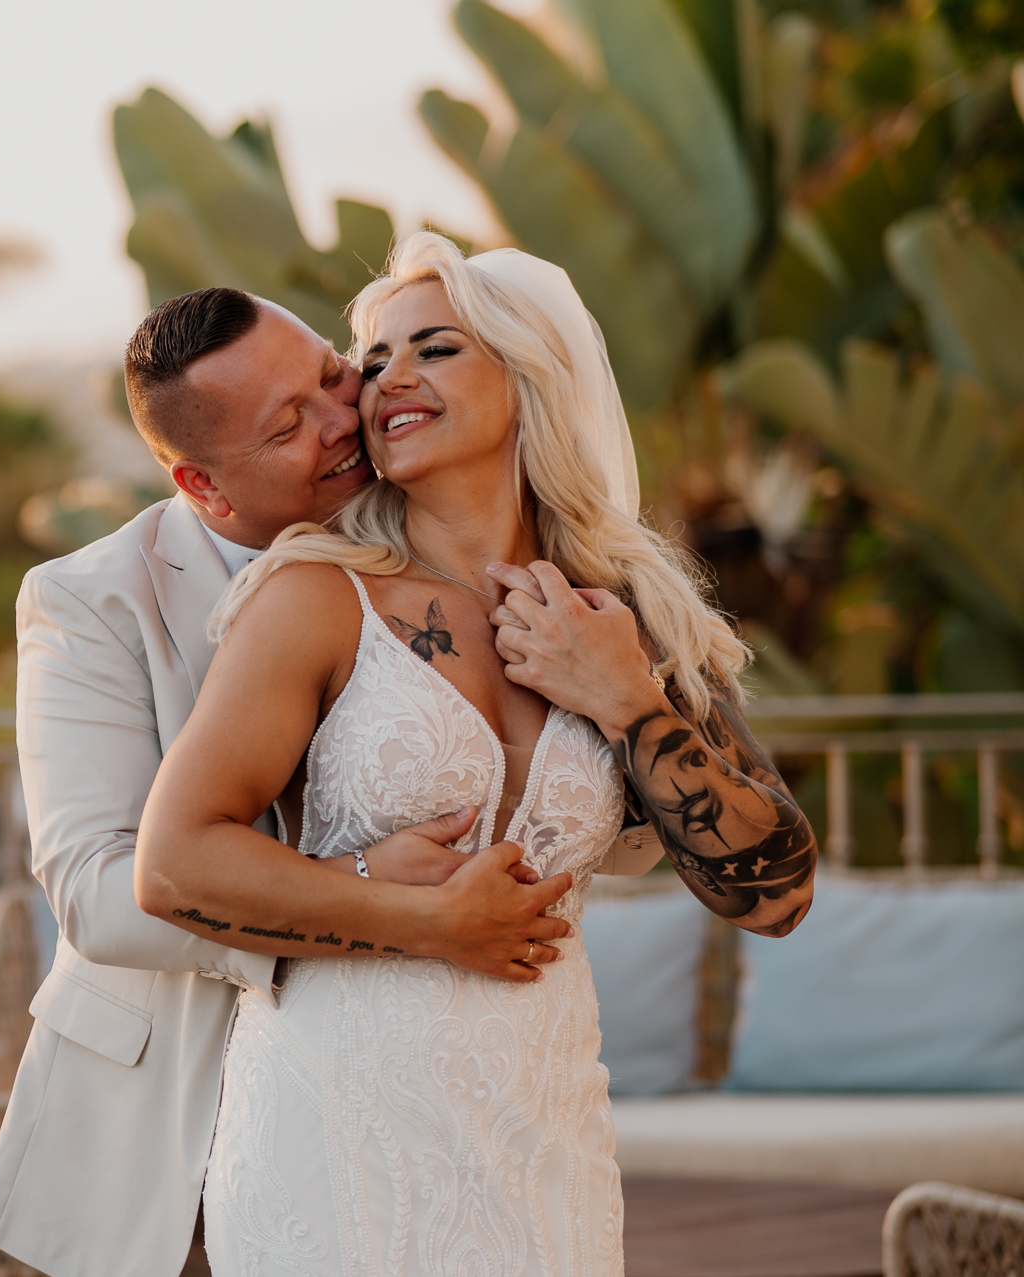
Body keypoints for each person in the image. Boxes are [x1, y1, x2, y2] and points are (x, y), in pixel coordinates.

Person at [135, 233, 817, 1275]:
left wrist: (627, 699)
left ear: (527, 372)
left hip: (547, 1141)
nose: (385, 377)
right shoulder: (316, 595)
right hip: (338, 1146)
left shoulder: (617, 614)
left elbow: (777, 893)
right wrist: (421, 912)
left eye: (434, 349)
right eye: (372, 356)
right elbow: (175, 858)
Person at [0, 286, 602, 1277]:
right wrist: (367, 893)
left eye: (329, 373)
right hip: (167, 1127)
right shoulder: (89, 598)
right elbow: (98, 890)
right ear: (206, 486)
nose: (345, 416)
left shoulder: (456, 549)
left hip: (421, 1115)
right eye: (288, 425)